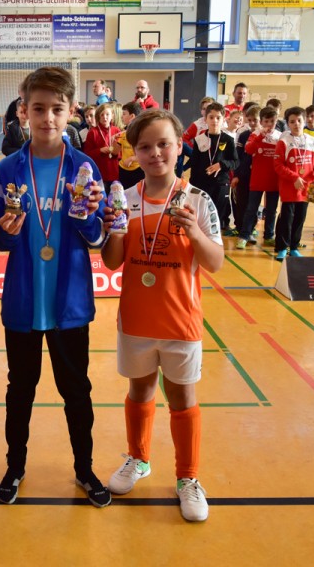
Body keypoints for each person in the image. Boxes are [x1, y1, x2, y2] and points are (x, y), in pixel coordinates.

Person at [0, 66, 110, 508]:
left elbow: (98, 237)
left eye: (57, 109)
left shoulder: (84, 167)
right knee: (19, 391)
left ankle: (85, 469)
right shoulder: (7, 169)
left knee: (76, 391)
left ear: (71, 110)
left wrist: (88, 220)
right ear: (24, 111)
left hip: (69, 303)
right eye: (38, 109)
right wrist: (6, 230)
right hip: (24, 302)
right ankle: (14, 467)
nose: (48, 118)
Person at [100, 108, 223, 522]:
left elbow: (216, 262)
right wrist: (114, 230)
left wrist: (194, 232)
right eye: (145, 147)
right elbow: (112, 262)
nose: (155, 153)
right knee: (139, 391)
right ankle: (138, 458)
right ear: (133, 154)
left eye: (163, 144)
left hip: (181, 321)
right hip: (136, 319)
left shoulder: (198, 199)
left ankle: (188, 477)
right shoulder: (124, 198)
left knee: (182, 398)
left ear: (179, 147)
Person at [273, 106, 314, 260]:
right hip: (290, 186)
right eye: (292, 121)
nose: (296, 124)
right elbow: (278, 165)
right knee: (287, 218)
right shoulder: (284, 141)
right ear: (288, 123)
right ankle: (282, 247)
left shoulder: (312, 141)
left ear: (305, 120)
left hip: (306, 187)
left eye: (299, 120)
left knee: (300, 218)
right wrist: (294, 177)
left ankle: (294, 247)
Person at [186, 102, 237, 236]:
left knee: (218, 215)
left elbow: (235, 162)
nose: (215, 121)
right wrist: (192, 185)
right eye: (211, 117)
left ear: (223, 119)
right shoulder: (199, 139)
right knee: (202, 214)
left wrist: (221, 165)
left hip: (221, 183)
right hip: (202, 184)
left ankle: (215, 240)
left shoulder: (228, 140)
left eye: (218, 117)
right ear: (206, 119)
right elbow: (195, 164)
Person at [236, 106, 281, 249]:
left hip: (274, 179)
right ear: (261, 122)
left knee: (271, 210)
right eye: (266, 121)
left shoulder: (280, 136)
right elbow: (248, 150)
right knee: (251, 209)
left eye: (272, 121)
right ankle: (244, 235)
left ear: (276, 121)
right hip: (257, 178)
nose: (269, 124)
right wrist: (261, 136)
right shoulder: (254, 134)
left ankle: (269, 236)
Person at [232, 104, 260, 240]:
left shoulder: (267, 137)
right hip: (244, 175)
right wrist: (237, 175)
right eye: (250, 120)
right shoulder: (244, 135)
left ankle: (251, 228)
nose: (252, 123)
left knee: (253, 205)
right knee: (241, 202)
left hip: (258, 176)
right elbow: (238, 157)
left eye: (255, 120)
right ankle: (240, 228)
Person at [83, 102, 120, 184]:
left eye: (107, 114)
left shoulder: (116, 130)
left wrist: (116, 152)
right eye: (102, 115)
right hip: (99, 172)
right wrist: (100, 150)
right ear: (98, 116)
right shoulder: (93, 132)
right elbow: (87, 154)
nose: (105, 117)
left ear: (112, 116)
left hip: (114, 172)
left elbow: (121, 153)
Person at [113, 102, 143, 189]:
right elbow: (115, 152)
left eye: (124, 114)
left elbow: (147, 154)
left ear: (132, 116)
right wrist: (114, 140)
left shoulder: (142, 134)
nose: (121, 117)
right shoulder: (123, 134)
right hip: (123, 170)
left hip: (138, 170)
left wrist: (132, 158)